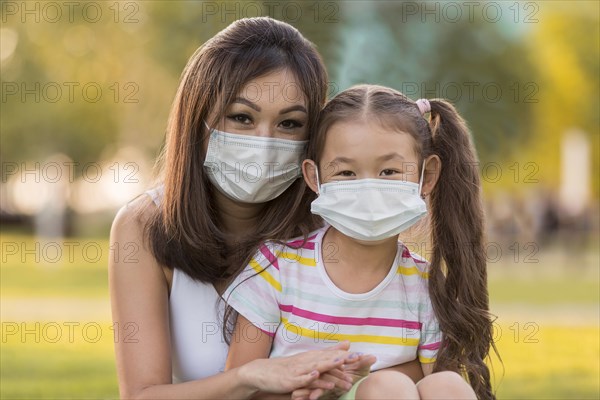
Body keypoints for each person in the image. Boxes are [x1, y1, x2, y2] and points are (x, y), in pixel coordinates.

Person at [108, 18, 388, 399]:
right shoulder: (144, 226)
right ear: (198, 118)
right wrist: (249, 377)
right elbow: (141, 395)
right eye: (242, 117)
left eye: (289, 123)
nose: (266, 143)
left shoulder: (335, 225)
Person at [224, 85, 498, 400]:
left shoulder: (426, 286)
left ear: (427, 175)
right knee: (388, 387)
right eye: (346, 173)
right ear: (315, 178)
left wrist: (365, 381)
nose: (368, 187)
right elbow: (237, 388)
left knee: (444, 384)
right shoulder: (277, 269)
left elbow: (430, 384)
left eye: (389, 171)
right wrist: (326, 386)